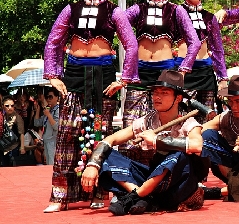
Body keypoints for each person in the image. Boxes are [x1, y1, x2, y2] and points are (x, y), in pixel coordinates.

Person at [42, 0, 139, 212]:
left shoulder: (115, 11)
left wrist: (124, 80)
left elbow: (130, 46)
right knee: (68, 134)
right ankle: (61, 196)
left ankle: (100, 193)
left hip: (104, 76)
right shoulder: (70, 9)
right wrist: (53, 77)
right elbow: (53, 43)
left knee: (100, 132)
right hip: (74, 75)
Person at [81, 70, 207, 216]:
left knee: (178, 155)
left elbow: (197, 145)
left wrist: (156, 140)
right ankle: (145, 197)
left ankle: (135, 196)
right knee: (105, 153)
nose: (157, 97)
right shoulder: (148, 120)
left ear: (178, 98)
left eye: (164, 93)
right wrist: (93, 165)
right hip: (152, 185)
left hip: (177, 187)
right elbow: (110, 140)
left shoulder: (189, 123)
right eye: (155, 92)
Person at [124, 0, 201, 160]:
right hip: (139, 72)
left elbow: (193, 41)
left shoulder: (176, 10)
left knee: (164, 121)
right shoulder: (137, 8)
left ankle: (164, 167)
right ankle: (133, 168)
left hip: (165, 71)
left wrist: (183, 70)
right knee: (131, 122)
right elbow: (116, 22)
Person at [176, 0, 228, 119]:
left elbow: (217, 49)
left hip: (205, 72)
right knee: (182, 117)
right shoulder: (175, 11)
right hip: (182, 70)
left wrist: (222, 78)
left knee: (207, 118)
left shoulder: (209, 17)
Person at [33, 87, 59, 165]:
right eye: (47, 97)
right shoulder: (48, 109)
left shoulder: (58, 110)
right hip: (46, 141)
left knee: (52, 164)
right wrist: (38, 110)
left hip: (53, 141)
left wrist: (48, 115)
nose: (48, 99)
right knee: (48, 164)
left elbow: (56, 127)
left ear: (57, 97)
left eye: (50, 97)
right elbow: (37, 123)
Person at [1, 96, 25, 166]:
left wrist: (22, 147)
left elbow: (21, 133)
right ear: (3, 106)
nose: (10, 107)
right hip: (3, 147)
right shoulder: (2, 117)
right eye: (7, 106)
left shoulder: (17, 117)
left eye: (12, 105)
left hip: (14, 147)